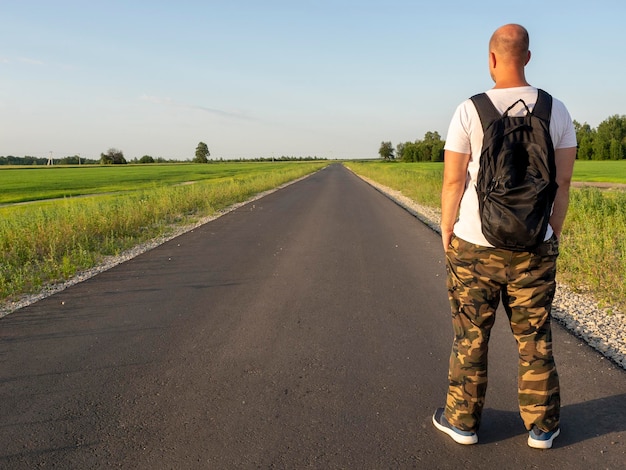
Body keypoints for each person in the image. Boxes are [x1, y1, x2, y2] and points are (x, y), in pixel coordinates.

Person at [433, 24, 577, 449]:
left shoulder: (469, 109)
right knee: (534, 337)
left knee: (470, 336)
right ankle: (542, 428)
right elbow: (564, 183)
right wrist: (552, 231)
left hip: (474, 246)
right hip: (535, 246)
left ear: (491, 59)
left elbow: (452, 183)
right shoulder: (557, 111)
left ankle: (462, 422)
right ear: (528, 58)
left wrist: (447, 230)